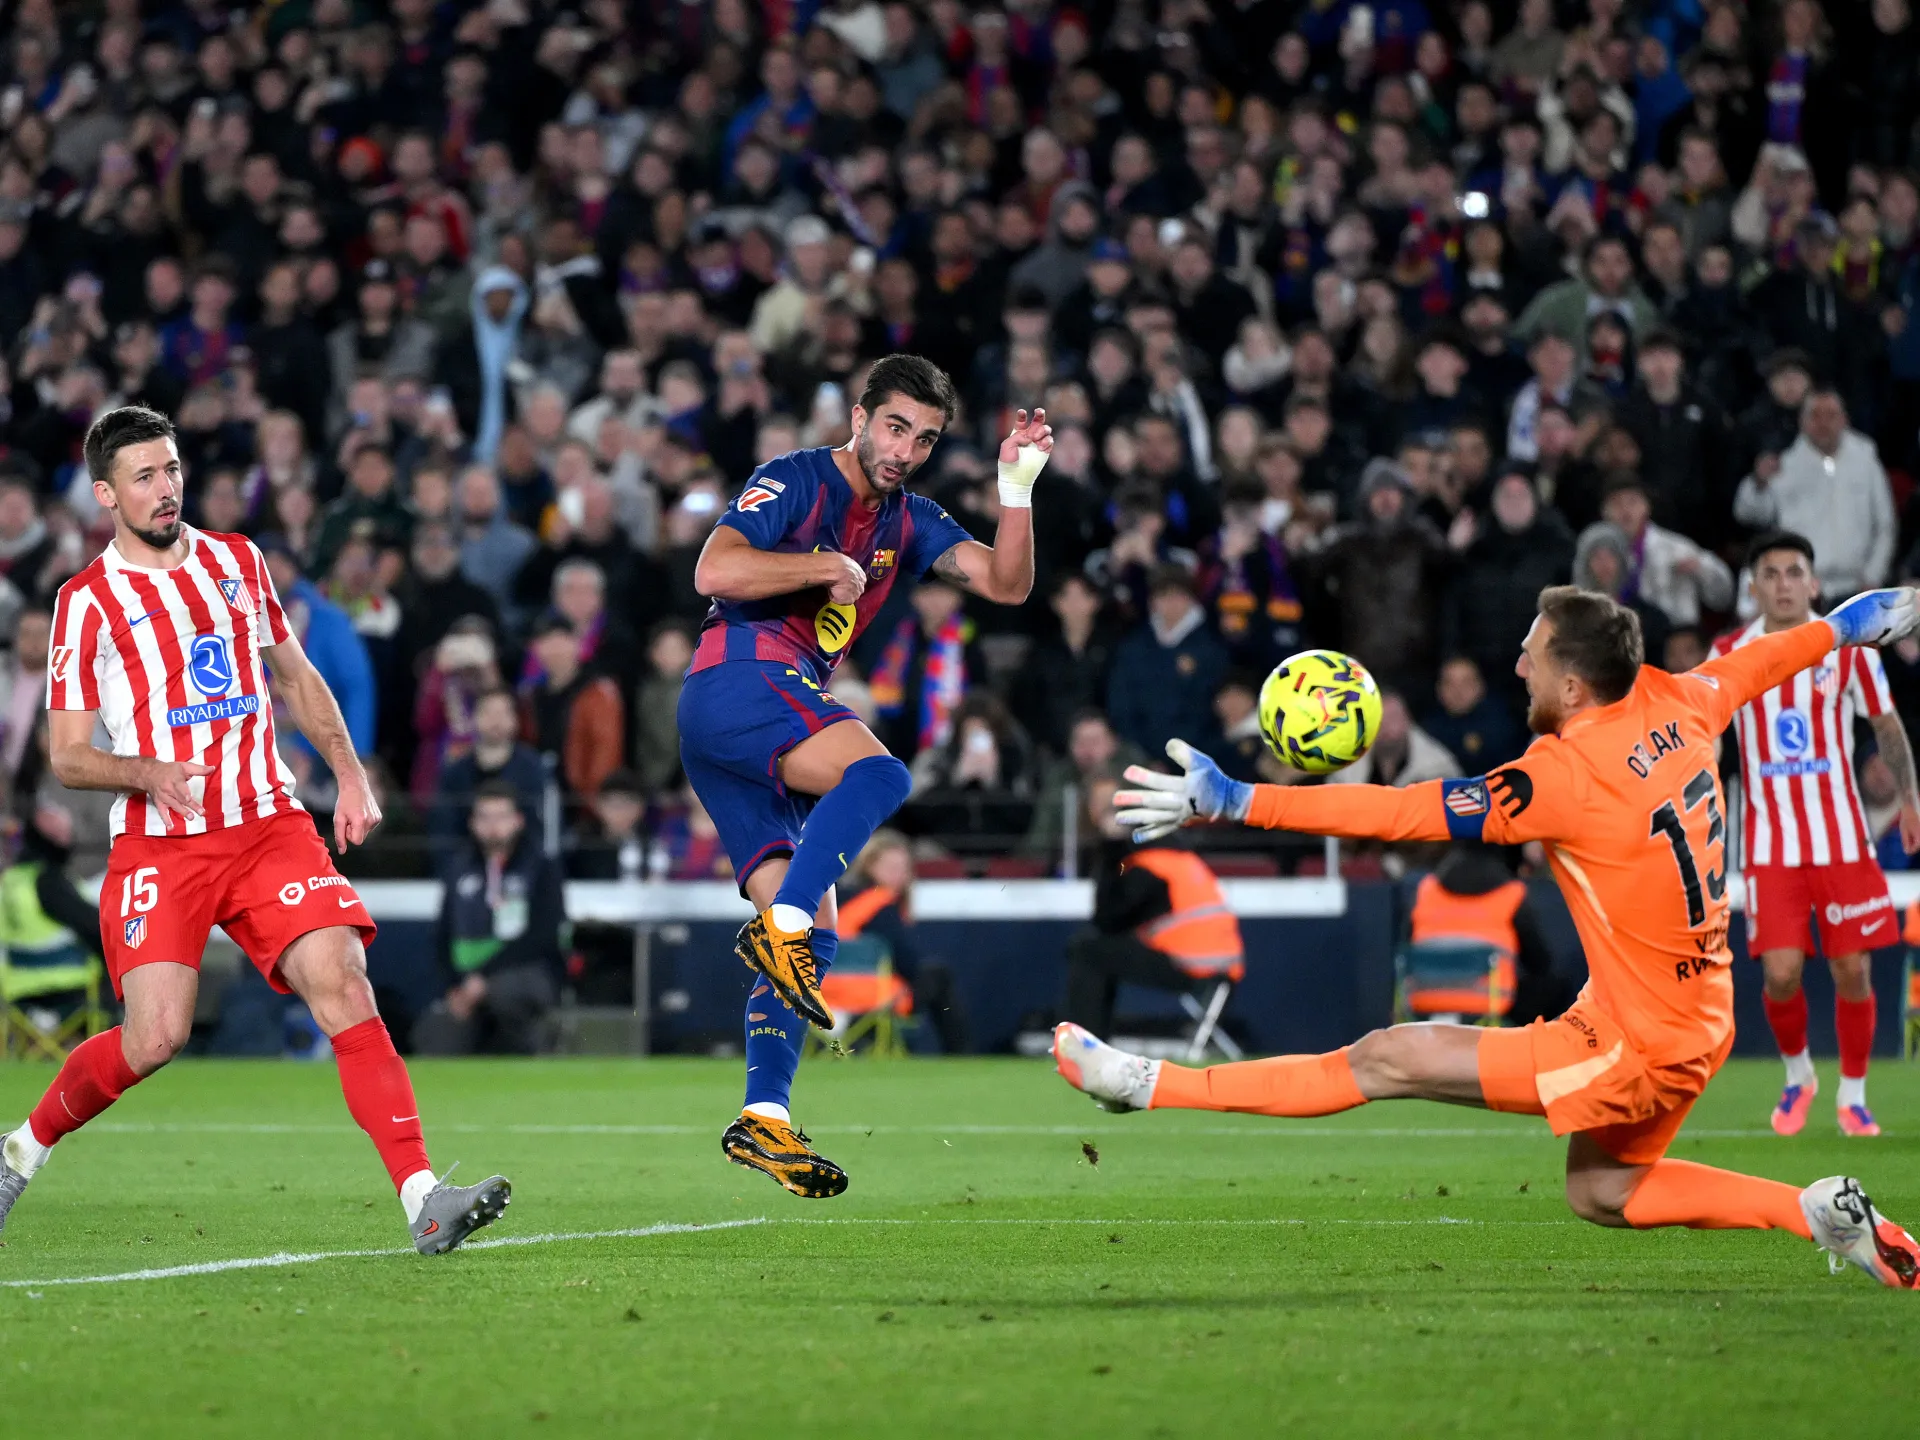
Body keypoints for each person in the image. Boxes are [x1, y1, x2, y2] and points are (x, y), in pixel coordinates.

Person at [1060, 581, 1920, 1289]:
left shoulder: (1564, 777)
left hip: (1636, 1040)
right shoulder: (1685, 696)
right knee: (1604, 1194)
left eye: (1532, 655)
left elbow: (1402, 811)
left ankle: (1141, 1084)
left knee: (1386, 1056)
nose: (1517, 664)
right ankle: (1814, 1213)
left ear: (1575, 687)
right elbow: (1771, 657)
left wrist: (1243, 800)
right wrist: (1855, 622)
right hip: (1699, 1012)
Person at [0, 406, 509, 1253]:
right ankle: (20, 1149)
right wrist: (148, 772)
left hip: (269, 823)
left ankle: (424, 1197)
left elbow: (295, 675)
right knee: (154, 1037)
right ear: (104, 495)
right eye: (144, 478)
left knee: (344, 982)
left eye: (171, 470)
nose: (166, 490)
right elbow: (66, 754)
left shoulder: (237, 561)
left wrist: (348, 773)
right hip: (163, 843)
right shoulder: (85, 604)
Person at [678, 354, 1044, 1197]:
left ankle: (762, 1120)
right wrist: (816, 567)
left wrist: (1017, 488)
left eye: (924, 437)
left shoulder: (909, 521)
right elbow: (715, 571)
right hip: (742, 679)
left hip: (745, 723)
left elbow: (1005, 583)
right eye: (894, 426)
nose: (906, 449)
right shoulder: (796, 479)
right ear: (858, 417)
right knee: (879, 779)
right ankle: (783, 929)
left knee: (819, 933)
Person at [1709, 532, 1920, 1136]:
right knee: (1780, 973)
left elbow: (1886, 724)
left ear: (1814, 582)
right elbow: (1709, 739)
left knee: (1851, 970)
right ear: (1753, 587)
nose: (1782, 583)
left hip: (1842, 840)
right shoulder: (1729, 651)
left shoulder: (1852, 650)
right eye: (1770, 573)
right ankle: (1799, 1075)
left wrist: (1909, 799)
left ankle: (1853, 1094)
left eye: (1793, 572)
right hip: (1771, 846)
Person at [1062, 795, 1244, 1042]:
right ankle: (1093, 1041)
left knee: (1087, 949)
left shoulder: (1150, 866)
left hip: (1190, 966)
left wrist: (1110, 848)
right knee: (1100, 951)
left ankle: (1084, 1042)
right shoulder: (1183, 860)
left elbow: (1107, 919)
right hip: (1222, 969)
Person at [417, 782, 564, 1056]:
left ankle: (537, 1053)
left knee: (504, 994)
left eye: (501, 817)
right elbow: (442, 934)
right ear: (473, 823)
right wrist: (454, 986)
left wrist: (483, 980)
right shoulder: (458, 868)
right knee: (436, 1030)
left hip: (529, 973)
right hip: (466, 982)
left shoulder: (541, 867)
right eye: (484, 817)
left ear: (518, 821)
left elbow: (543, 936)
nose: (493, 826)